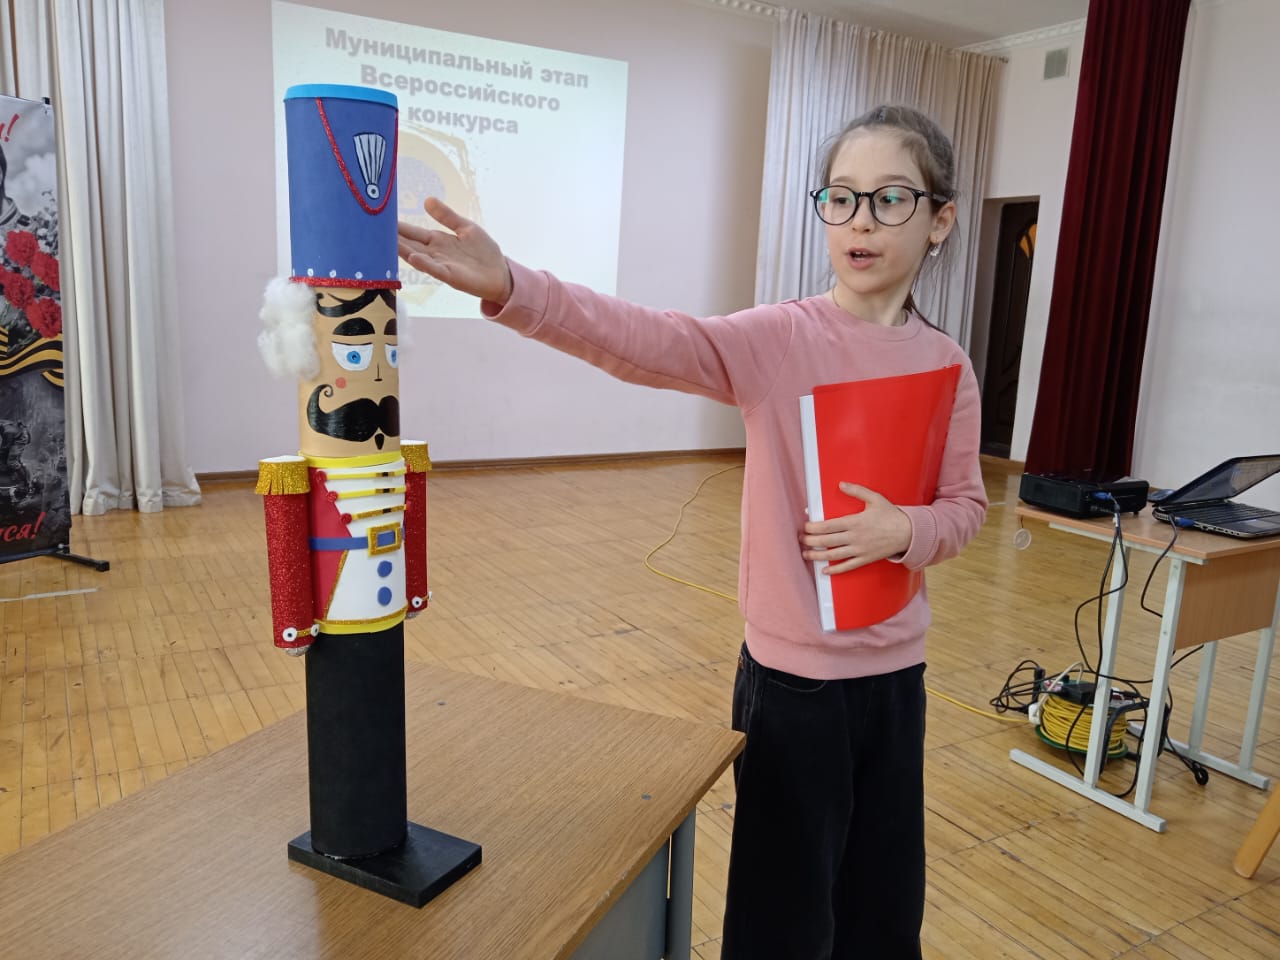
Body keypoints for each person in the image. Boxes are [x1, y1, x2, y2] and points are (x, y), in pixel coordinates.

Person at [398, 104, 987, 960]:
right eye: (841, 198)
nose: (860, 221)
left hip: (899, 681)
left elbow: (966, 506)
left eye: (890, 199)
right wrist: (515, 287)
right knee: (783, 923)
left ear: (940, 220)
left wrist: (906, 529)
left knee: (884, 912)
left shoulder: (947, 364)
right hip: (796, 688)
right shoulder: (783, 338)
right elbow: (651, 341)